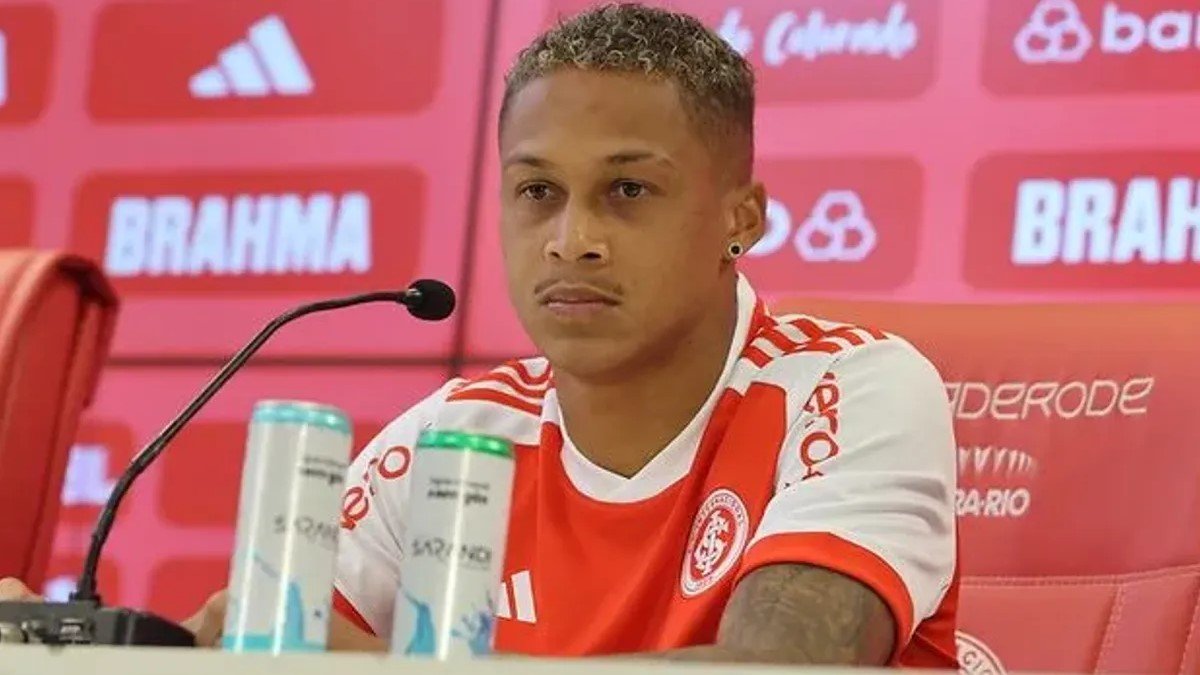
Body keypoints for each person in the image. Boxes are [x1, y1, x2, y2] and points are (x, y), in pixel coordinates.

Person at [1, 2, 958, 666]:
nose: (572, 240)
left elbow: (782, 668)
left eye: (628, 189)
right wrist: (60, 644)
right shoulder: (454, 433)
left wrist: (381, 664)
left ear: (741, 218)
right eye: (538, 191)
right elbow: (269, 642)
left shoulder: (854, 388)